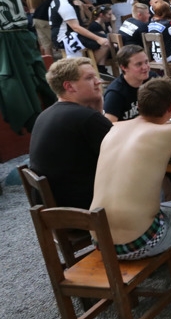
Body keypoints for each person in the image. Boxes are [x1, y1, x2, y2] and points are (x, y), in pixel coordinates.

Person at [91, 79, 171, 275]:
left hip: (101, 241)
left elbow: (141, 153)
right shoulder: (168, 131)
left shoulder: (114, 129)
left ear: (140, 104)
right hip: (142, 241)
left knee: (165, 201)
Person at [29, 58, 112, 209]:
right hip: (86, 210)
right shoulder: (86, 118)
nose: (98, 81)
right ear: (69, 86)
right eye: (89, 78)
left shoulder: (46, 114)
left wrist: (98, 112)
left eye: (95, 76)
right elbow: (125, 155)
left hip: (54, 209)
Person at [50, 0, 110, 65]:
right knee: (105, 42)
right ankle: (89, 67)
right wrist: (98, 39)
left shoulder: (58, 0)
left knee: (106, 38)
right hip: (65, 38)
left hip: (65, 36)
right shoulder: (65, 5)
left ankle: (99, 68)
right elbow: (76, 27)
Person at [103, 45, 153, 122]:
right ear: (124, 67)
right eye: (138, 64)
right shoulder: (115, 93)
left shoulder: (152, 78)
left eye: (146, 62)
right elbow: (109, 124)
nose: (145, 67)